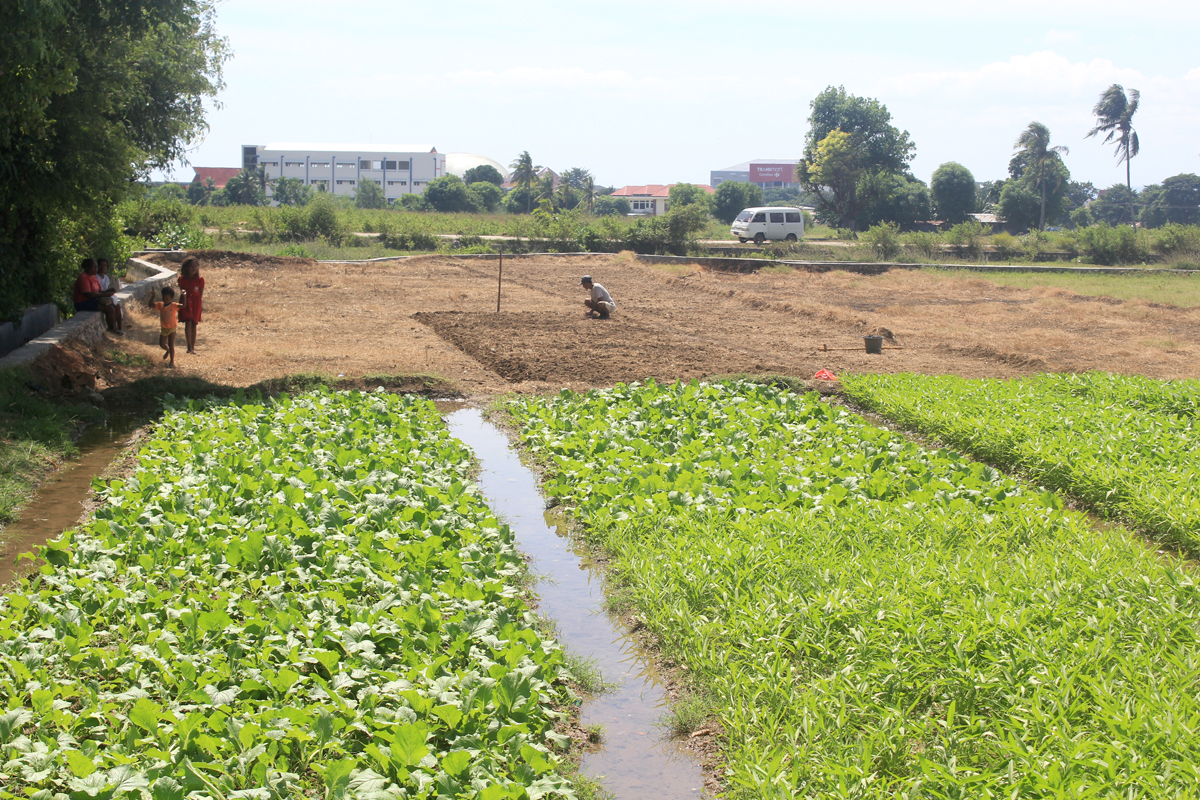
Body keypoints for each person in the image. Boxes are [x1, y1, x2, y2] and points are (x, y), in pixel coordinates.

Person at [73, 258, 120, 332]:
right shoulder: (83, 277)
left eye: (96, 267)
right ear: (87, 267)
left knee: (116, 305)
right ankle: (112, 329)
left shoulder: (93, 276)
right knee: (109, 309)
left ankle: (117, 327)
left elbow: (99, 291)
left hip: (93, 300)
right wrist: (104, 295)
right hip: (83, 302)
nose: (96, 269)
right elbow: (88, 294)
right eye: (94, 267)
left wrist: (107, 291)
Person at [177, 256, 204, 354]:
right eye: (191, 266)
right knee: (188, 322)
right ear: (186, 268)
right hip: (186, 302)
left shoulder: (200, 280)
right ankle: (189, 346)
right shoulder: (182, 279)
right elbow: (181, 290)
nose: (194, 268)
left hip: (196, 303)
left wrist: (199, 305)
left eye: (195, 266)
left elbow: (200, 294)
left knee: (194, 324)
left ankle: (193, 346)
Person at [152, 286, 184, 368]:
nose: (165, 301)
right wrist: (153, 296)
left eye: (167, 299)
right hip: (164, 328)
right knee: (162, 344)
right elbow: (150, 305)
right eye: (164, 298)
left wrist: (184, 296)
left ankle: (172, 361)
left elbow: (183, 306)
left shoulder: (174, 305)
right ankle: (167, 350)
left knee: (171, 344)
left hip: (172, 328)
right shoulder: (160, 305)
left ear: (172, 298)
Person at [96, 258, 124, 335]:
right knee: (111, 308)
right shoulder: (95, 277)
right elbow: (97, 291)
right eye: (101, 265)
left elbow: (106, 288)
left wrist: (110, 291)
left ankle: (119, 328)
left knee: (117, 306)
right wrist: (107, 292)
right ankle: (113, 328)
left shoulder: (106, 277)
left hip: (106, 295)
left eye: (105, 265)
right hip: (100, 297)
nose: (102, 267)